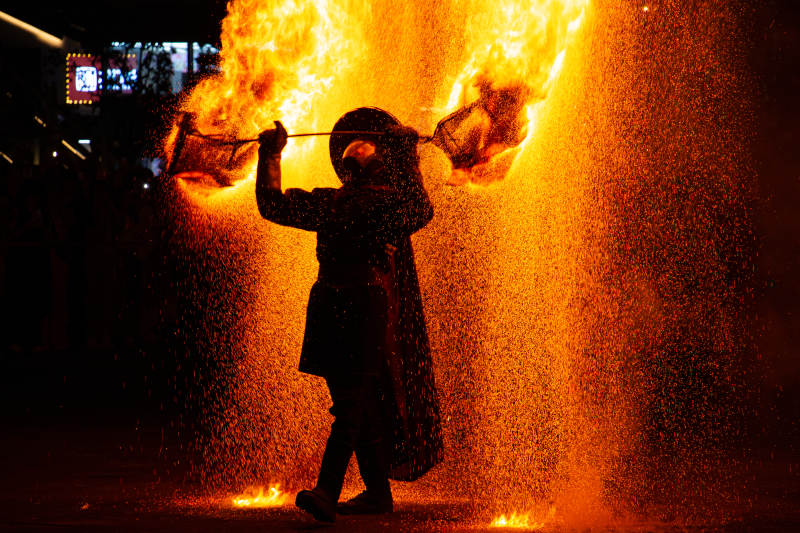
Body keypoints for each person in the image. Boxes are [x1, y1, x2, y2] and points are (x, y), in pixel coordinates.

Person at [255, 108, 443, 522]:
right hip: (327, 303)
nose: (354, 150)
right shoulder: (327, 201)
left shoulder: (389, 205)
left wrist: (408, 158)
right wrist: (271, 155)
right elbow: (271, 205)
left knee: (353, 400)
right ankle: (377, 494)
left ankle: (327, 490)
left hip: (366, 304)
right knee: (351, 401)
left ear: (380, 164)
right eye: (349, 149)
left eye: (366, 147)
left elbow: (421, 210)